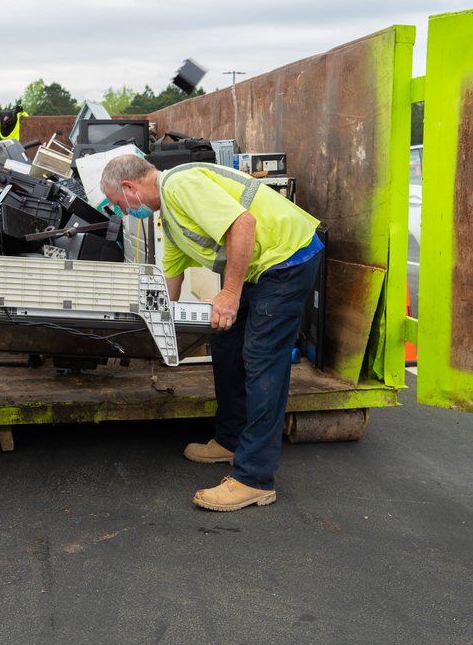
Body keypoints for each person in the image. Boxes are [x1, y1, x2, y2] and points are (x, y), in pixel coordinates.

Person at [101, 154, 323, 512]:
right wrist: (155, 329)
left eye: (117, 203)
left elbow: (243, 224)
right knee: (225, 343)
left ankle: (254, 478)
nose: (123, 212)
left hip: (287, 257)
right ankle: (232, 440)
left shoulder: (180, 185)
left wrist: (230, 295)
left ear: (129, 187)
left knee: (262, 358)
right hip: (261, 266)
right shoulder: (168, 218)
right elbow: (170, 280)